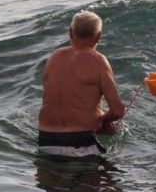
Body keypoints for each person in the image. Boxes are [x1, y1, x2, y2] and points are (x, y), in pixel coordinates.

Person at [38, 10, 124, 159]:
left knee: (51, 182)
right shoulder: (99, 61)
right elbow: (118, 111)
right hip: (81, 143)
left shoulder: (53, 57)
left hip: (46, 141)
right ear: (98, 37)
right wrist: (102, 120)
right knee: (109, 180)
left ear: (70, 33)